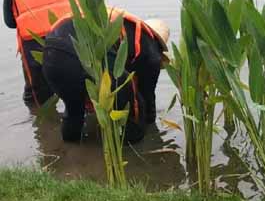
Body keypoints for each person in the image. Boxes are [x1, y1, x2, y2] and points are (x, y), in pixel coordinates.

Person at [42, 9, 170, 143]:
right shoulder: (151, 50)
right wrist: (149, 126)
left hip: (51, 56)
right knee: (134, 106)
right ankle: (134, 152)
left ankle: (70, 152)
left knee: (74, 110)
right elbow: (147, 97)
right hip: (81, 52)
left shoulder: (127, 26)